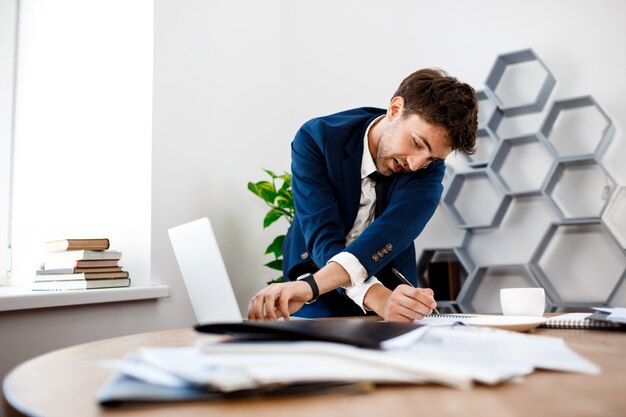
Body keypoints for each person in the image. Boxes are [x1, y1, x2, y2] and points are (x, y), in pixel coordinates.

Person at [248, 68, 478, 322]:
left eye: (432, 158)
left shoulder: (429, 170)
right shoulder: (317, 138)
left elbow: (386, 235)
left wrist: (384, 299)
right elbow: (323, 238)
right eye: (416, 143)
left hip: (393, 297)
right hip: (317, 288)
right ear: (395, 109)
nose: (415, 165)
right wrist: (372, 296)